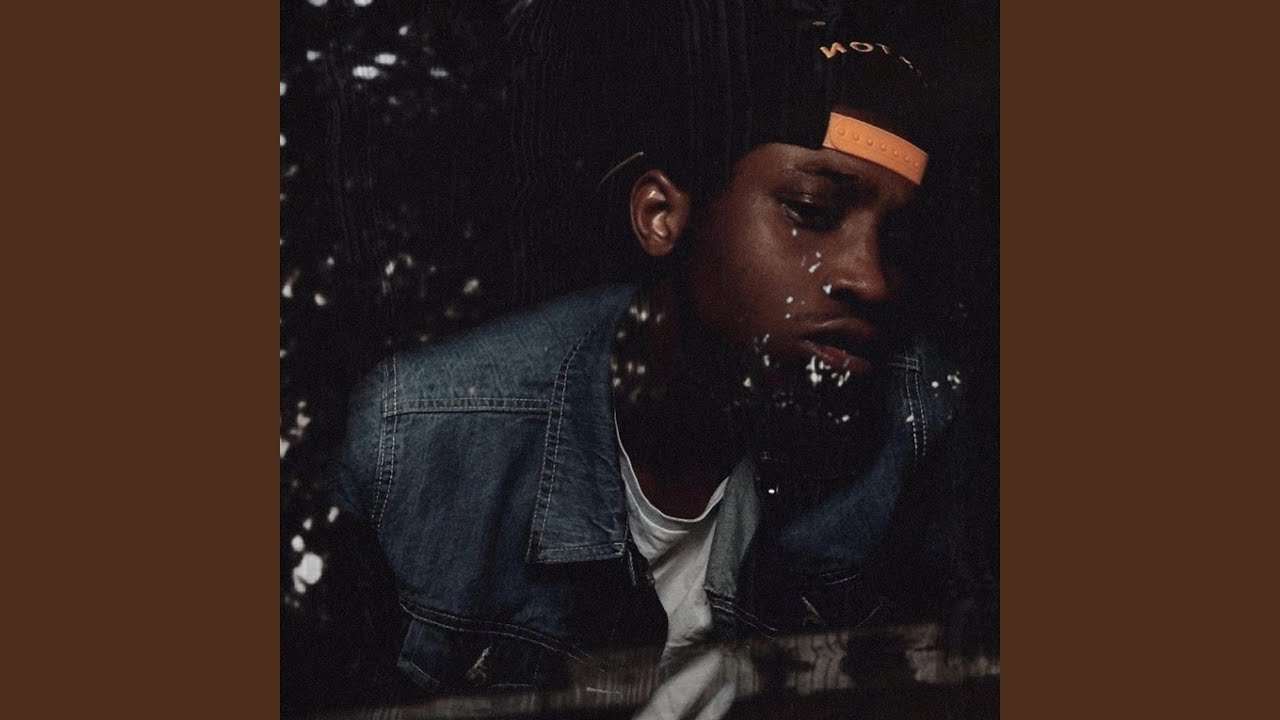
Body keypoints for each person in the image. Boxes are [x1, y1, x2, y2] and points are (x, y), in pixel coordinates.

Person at [332, 0, 994, 713]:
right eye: (811, 211)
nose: (871, 278)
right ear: (662, 215)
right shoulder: (414, 446)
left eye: (896, 239)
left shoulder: (918, 428)